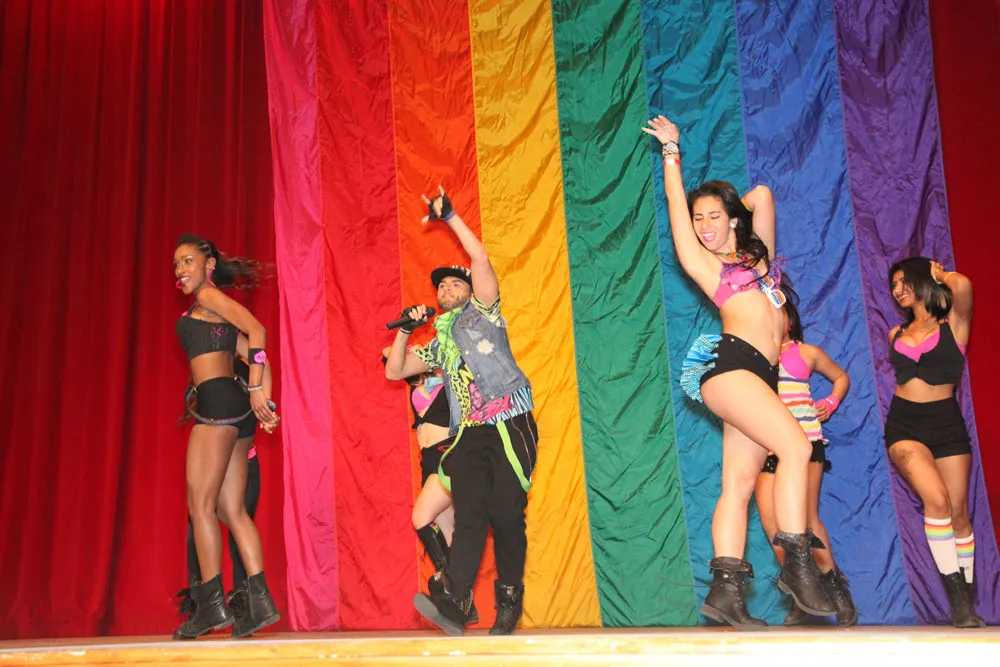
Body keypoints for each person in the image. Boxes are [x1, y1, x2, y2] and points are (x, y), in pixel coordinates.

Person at [643, 115, 835, 629]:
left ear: (733, 219)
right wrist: (672, 153)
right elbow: (679, 213)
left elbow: (763, 196)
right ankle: (798, 567)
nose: (704, 225)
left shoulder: (760, 261)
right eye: (698, 219)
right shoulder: (707, 265)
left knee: (739, 483)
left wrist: (734, 215)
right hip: (731, 367)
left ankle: (725, 594)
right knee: (795, 448)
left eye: (714, 216)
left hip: (759, 378)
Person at [385, 187, 537, 636]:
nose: (446, 288)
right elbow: (396, 371)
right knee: (469, 514)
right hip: (469, 432)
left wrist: (449, 216)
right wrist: (405, 330)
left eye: (455, 283)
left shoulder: (485, 315)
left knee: (506, 515)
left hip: (508, 420)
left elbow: (482, 259)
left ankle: (509, 600)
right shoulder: (439, 342)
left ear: (471, 292)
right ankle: (455, 601)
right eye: (441, 286)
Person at [172, 234, 280, 639]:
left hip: (218, 403)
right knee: (231, 511)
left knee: (200, 507)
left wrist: (257, 391)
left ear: (209, 264)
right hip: (238, 412)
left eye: (188, 260)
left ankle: (212, 607)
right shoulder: (212, 313)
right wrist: (263, 400)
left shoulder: (209, 297)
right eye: (176, 264)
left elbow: (258, 329)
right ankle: (260, 602)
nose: (180, 269)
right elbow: (252, 350)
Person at [884, 257, 983, 628]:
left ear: (922, 279)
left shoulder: (954, 324)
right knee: (936, 500)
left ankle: (967, 597)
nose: (898, 290)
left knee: (958, 514)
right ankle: (957, 600)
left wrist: (940, 274)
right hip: (904, 425)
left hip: (947, 425)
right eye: (894, 285)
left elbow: (964, 286)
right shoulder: (895, 334)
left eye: (904, 281)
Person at [754, 284, 856, 626]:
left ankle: (837, 590)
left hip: (805, 444)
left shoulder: (806, 352)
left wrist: (831, 402)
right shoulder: (757, 355)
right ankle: (800, 590)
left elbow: (840, 377)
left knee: (806, 521)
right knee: (773, 525)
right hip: (769, 446)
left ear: (789, 320)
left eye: (778, 313)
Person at [174, 351, 276, 638]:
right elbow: (261, 357)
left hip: (239, 461)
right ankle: (232, 606)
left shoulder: (231, 364)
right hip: (236, 457)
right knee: (210, 524)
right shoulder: (221, 369)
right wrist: (265, 403)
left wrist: (266, 402)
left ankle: (237, 608)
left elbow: (261, 355)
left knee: (210, 517)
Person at [382, 351, 478, 624]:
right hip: (429, 461)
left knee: (421, 517)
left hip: (449, 455)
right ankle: (464, 605)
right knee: (448, 532)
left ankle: (447, 579)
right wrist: (411, 343)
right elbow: (388, 356)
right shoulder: (418, 379)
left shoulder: (453, 379)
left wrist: (442, 358)